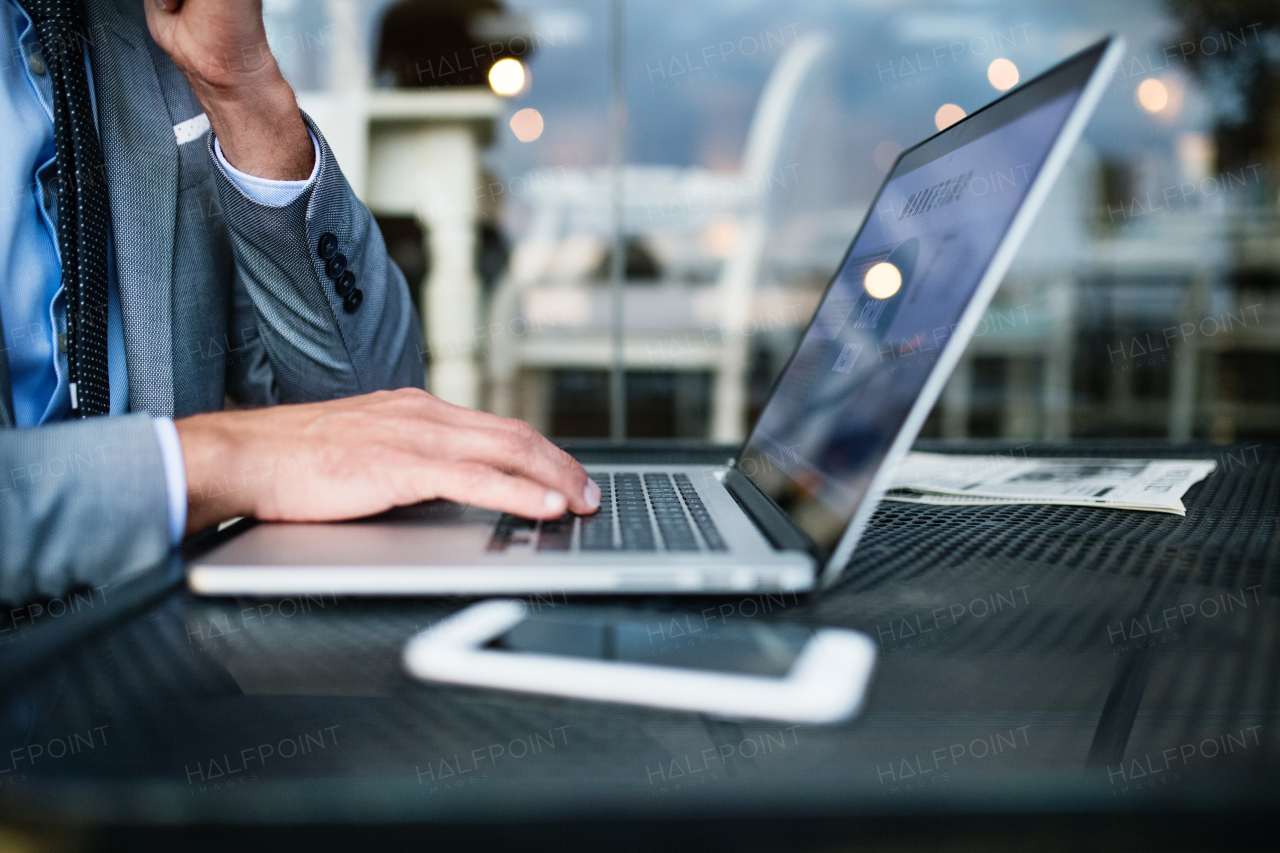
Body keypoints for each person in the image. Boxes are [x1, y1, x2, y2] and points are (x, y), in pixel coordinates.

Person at [0, 0, 599, 603]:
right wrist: (221, 460)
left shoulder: (148, 38)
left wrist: (242, 88)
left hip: (164, 665)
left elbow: (372, 408)